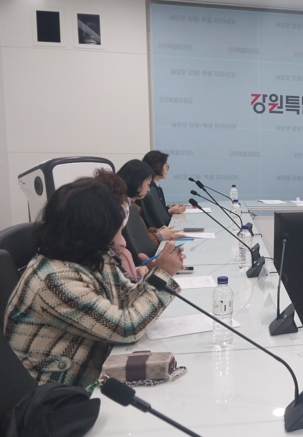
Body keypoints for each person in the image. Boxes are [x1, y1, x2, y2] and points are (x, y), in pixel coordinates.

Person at [3, 179, 185, 389]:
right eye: (115, 228)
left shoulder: (89, 255)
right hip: (57, 395)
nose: (122, 239)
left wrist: (153, 277)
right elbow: (126, 328)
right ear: (93, 230)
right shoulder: (54, 279)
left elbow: (125, 299)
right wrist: (162, 275)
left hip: (90, 372)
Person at [93, 169, 148, 283]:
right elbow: (129, 293)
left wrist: (134, 272)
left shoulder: (116, 251)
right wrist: (162, 273)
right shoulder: (102, 260)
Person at [117, 160, 182, 244]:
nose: (148, 190)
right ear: (137, 182)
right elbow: (137, 243)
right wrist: (159, 236)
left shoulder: (131, 205)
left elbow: (138, 234)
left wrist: (156, 232)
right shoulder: (123, 208)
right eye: (148, 185)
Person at [140, 150, 185, 228]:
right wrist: (170, 211)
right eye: (166, 166)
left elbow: (157, 209)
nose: (167, 169)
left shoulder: (157, 187)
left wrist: (169, 208)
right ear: (157, 166)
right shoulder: (150, 189)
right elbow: (154, 217)